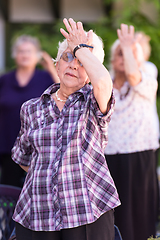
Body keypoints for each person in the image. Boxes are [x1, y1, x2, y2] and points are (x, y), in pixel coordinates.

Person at [11, 18, 120, 240]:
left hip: (87, 212)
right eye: (67, 57)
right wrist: (51, 175)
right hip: (38, 214)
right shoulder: (31, 108)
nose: (73, 64)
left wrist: (81, 48)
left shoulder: (93, 100)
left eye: (81, 61)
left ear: (90, 72)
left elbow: (103, 83)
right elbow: (23, 158)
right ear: (57, 65)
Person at [104, 24, 159, 240]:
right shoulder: (104, 80)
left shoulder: (147, 73)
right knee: (114, 215)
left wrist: (129, 47)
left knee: (139, 212)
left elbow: (134, 78)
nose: (123, 57)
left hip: (140, 154)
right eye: (119, 53)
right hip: (108, 155)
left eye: (127, 54)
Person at [0, 35, 59, 188]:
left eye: (29, 51)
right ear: (14, 55)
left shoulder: (46, 77)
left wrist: (52, 69)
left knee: (38, 191)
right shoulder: (5, 80)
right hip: (8, 147)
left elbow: (65, 93)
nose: (25, 55)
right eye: (21, 51)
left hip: (39, 147)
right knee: (10, 192)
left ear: (38, 55)